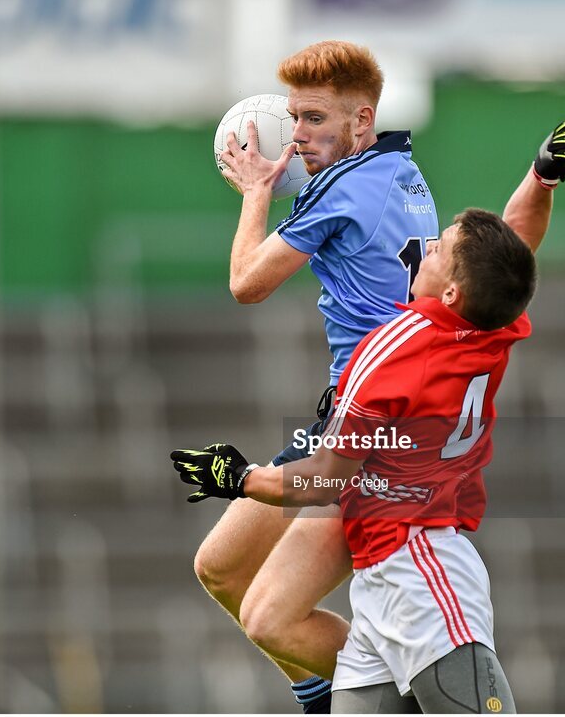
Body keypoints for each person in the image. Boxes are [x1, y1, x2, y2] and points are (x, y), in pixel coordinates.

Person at [201, 39, 565, 712]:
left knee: (266, 611)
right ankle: (339, 692)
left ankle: (359, 695)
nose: (298, 135)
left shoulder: (395, 333)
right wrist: (541, 177)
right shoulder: (410, 186)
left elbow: (245, 284)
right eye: (294, 118)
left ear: (361, 122)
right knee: (229, 577)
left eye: (314, 119)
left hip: (384, 454)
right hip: (398, 446)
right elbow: (513, 246)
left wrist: (258, 190)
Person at [173, 208, 538, 712]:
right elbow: (519, 242)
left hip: (421, 570)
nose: (427, 245)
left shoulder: (395, 352)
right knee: (267, 618)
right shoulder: (492, 322)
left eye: (441, 247)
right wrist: (542, 179)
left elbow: (321, 480)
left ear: (453, 292)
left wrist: (240, 477)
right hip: (377, 578)